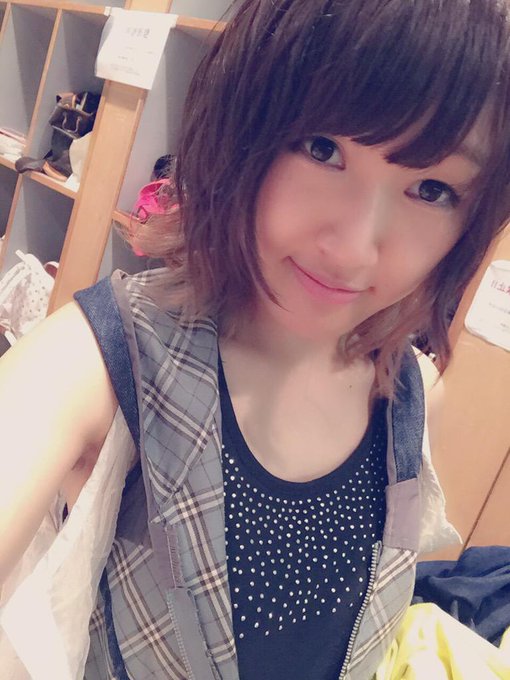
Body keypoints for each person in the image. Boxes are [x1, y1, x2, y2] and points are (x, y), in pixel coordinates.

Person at [1, 0, 510, 677]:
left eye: (433, 189)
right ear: (243, 126)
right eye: (323, 149)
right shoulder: (97, 363)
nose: (354, 249)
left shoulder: (414, 399)